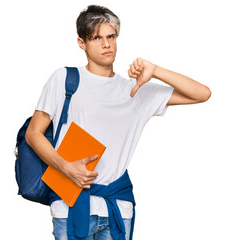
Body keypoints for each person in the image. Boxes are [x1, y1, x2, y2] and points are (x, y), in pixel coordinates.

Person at [25, 4, 211, 240]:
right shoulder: (65, 79)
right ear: (82, 43)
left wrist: (155, 70)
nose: (106, 44)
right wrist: (66, 167)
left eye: (111, 36)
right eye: (96, 38)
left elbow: (201, 94)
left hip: (118, 208)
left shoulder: (134, 90)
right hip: (69, 205)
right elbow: (33, 134)